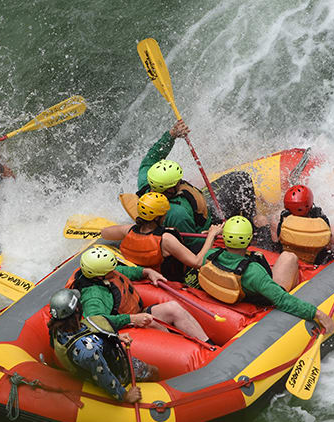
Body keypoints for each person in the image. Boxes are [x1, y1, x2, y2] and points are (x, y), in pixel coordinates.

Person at [198, 216, 334, 332]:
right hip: (260, 300)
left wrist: (212, 235)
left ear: (224, 237)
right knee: (289, 257)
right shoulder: (253, 271)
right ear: (249, 239)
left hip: (238, 294)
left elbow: (201, 259)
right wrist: (316, 313)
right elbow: (282, 300)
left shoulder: (209, 256)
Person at [66, 246, 213, 344]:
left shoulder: (106, 274)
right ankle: (190, 350)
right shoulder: (94, 296)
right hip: (123, 329)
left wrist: (147, 272)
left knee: (173, 307)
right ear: (99, 277)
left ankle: (209, 345)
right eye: (111, 270)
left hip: (135, 314)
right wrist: (131, 318)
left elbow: (124, 272)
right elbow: (95, 320)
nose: (114, 271)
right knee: (152, 322)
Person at [48, 288, 158, 403]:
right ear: (76, 309)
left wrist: (114, 337)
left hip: (104, 353)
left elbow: (87, 332)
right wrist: (124, 396)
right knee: (153, 371)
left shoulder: (59, 329)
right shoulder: (87, 351)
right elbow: (102, 374)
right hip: (116, 368)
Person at [102, 192, 223, 283]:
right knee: (209, 247)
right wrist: (211, 234)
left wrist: (131, 227)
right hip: (170, 278)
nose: (165, 215)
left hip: (142, 270)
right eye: (164, 213)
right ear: (157, 217)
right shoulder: (166, 240)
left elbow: (105, 232)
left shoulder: (128, 230)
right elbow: (197, 262)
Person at [136, 120, 212, 254]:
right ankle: (256, 221)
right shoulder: (177, 214)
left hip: (192, 213)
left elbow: (152, 157)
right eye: (178, 181)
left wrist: (171, 135)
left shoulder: (145, 181)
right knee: (239, 178)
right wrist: (213, 234)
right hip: (205, 224)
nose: (180, 182)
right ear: (170, 189)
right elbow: (191, 245)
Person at [275, 185, 334, 265]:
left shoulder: (278, 222)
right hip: (313, 267)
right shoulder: (324, 230)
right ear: (311, 205)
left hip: (286, 262)